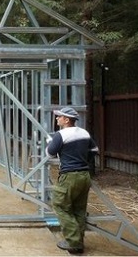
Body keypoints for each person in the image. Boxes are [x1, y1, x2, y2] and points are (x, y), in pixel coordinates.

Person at [46, 107, 99, 254]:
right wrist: (84, 160)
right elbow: (95, 150)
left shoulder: (60, 135)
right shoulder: (84, 133)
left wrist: (50, 142)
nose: (57, 119)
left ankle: (73, 241)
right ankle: (78, 243)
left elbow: (50, 153)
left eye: (59, 117)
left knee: (60, 206)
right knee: (79, 210)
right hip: (84, 175)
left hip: (69, 176)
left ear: (67, 120)